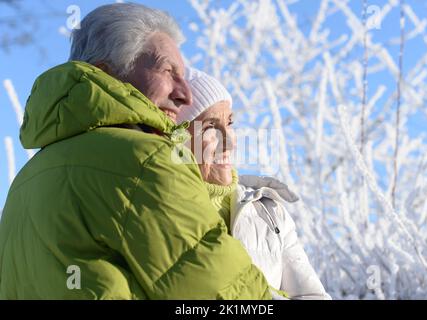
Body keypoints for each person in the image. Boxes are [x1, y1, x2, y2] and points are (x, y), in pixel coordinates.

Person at [0, 3, 271, 299]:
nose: (185, 95)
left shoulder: (26, 180)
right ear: (106, 73)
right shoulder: (145, 159)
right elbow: (225, 294)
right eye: (168, 71)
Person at [177, 67, 332, 300]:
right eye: (210, 127)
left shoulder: (268, 210)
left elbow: (311, 296)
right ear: (179, 142)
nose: (229, 142)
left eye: (229, 123)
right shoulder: (166, 211)